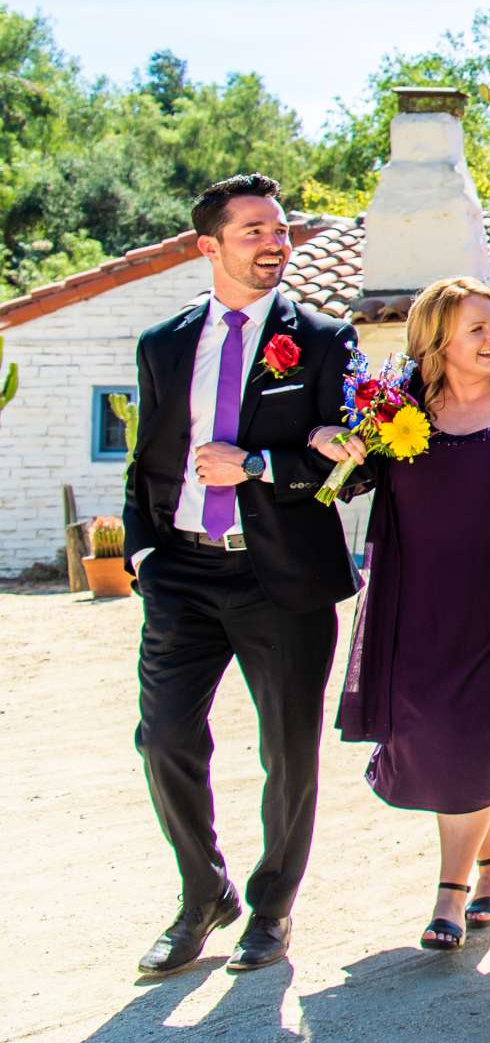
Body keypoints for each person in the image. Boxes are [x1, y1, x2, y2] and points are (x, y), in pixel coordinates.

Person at [124, 173, 366, 977]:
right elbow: (147, 461)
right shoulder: (163, 344)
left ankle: (270, 908)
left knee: (288, 753)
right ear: (209, 246)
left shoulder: (326, 340)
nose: (275, 243)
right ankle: (204, 894)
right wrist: (143, 554)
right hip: (184, 573)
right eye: (255, 231)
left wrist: (260, 464)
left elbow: (356, 467)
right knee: (162, 739)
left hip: (283, 579)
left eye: (280, 230)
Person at [337, 277, 490, 950]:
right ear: (436, 342)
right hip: (416, 610)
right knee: (453, 745)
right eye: (477, 329)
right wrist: (344, 446)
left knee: (471, 740)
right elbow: (351, 480)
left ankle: (450, 893)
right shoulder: (396, 411)